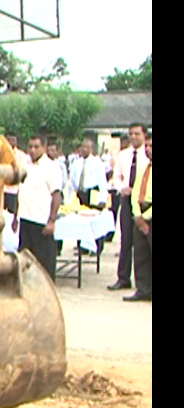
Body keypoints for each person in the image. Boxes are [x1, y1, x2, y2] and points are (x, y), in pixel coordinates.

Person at [12, 136, 62, 280]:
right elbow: (20, 192)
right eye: (30, 147)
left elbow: (56, 196)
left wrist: (51, 221)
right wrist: (16, 217)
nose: (32, 150)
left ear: (44, 148)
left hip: (41, 222)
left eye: (36, 147)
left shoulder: (51, 168)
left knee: (44, 264)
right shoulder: (25, 167)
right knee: (25, 260)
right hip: (25, 220)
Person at [107, 123, 150, 291]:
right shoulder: (123, 155)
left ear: (144, 135)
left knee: (143, 241)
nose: (133, 137)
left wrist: (137, 190)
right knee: (126, 240)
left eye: (137, 134)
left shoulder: (148, 155)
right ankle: (123, 277)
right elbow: (116, 176)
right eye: (131, 134)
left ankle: (145, 282)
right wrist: (122, 187)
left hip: (144, 201)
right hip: (126, 199)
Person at [124, 134, 152, 302]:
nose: (148, 149)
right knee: (140, 254)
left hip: (149, 214)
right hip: (140, 214)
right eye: (147, 146)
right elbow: (135, 193)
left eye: (151, 146)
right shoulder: (144, 168)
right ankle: (143, 289)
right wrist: (137, 215)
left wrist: (145, 217)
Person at [69, 138, 108, 209]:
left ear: (91, 149)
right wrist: (70, 196)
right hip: (79, 193)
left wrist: (103, 199)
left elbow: (102, 181)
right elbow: (72, 181)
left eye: (87, 147)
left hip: (92, 193)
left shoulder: (97, 163)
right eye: (83, 147)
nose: (84, 149)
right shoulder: (76, 163)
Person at [3, 134, 31, 214]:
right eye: (9, 140)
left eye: (13, 140)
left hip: (14, 191)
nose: (11, 142)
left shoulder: (22, 156)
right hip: (1, 190)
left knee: (12, 214)